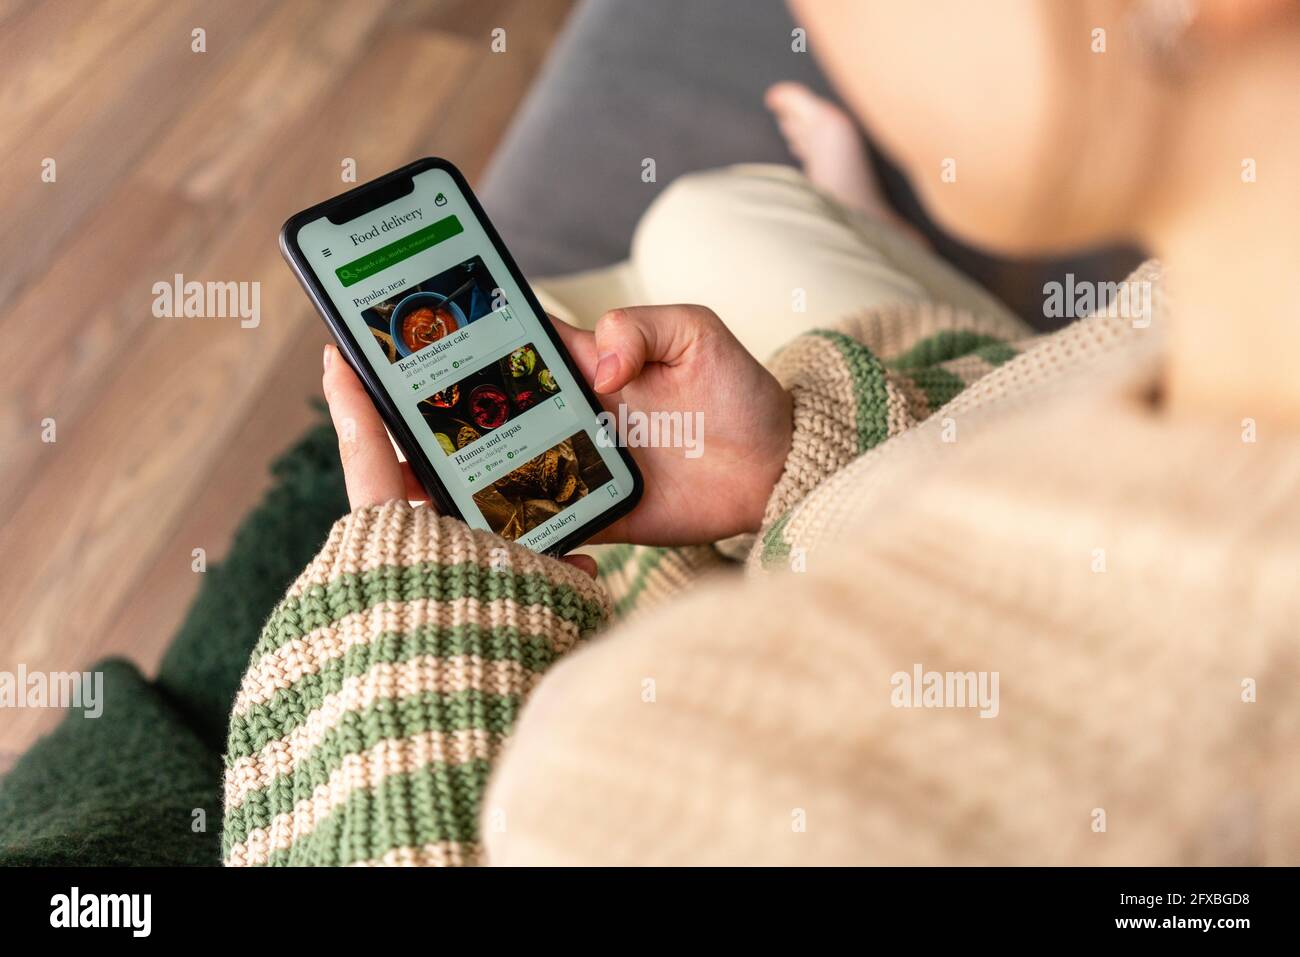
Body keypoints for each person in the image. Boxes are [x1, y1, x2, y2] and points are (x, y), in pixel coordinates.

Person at [223, 0, 1300, 865]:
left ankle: (858, 227)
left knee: (643, 255)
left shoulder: (649, 783)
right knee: (699, 225)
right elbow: (1029, 438)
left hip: (748, 553)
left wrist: (412, 609)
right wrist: (796, 459)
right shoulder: (1202, 322)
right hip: (824, 462)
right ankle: (863, 224)